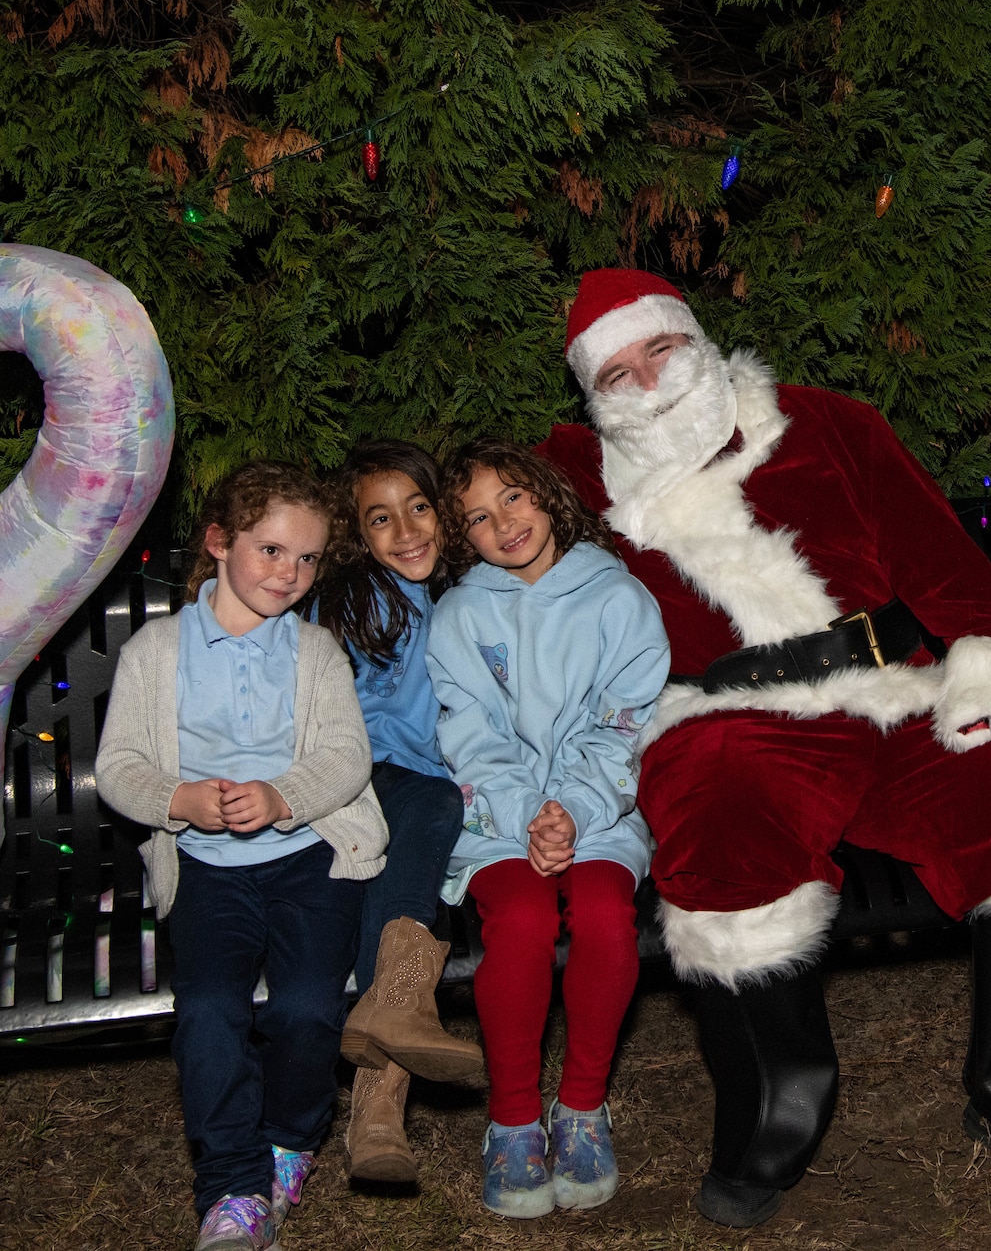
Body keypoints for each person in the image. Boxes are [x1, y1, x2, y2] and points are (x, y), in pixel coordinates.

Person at [538, 268, 991, 1229]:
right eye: (617, 373)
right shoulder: (570, 479)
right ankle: (783, 1089)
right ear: (590, 397)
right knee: (721, 820)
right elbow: (473, 540)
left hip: (889, 692)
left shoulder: (829, 424)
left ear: (695, 338)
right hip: (721, 719)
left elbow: (943, 561)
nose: (647, 381)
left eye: (659, 349)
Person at [95, 463, 388, 1251]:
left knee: (306, 1006)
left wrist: (283, 795)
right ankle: (232, 1184)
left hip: (311, 858)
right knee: (211, 1011)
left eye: (306, 559)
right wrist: (180, 801)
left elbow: (346, 755)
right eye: (270, 551)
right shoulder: (157, 652)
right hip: (207, 869)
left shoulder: (316, 651)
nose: (288, 574)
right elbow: (119, 764)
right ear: (220, 543)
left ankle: (290, 1141)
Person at [425, 437, 669, 1220]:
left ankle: (583, 1107)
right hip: (500, 816)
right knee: (524, 920)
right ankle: (515, 1119)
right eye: (480, 517)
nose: (505, 523)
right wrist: (531, 813)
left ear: (547, 494)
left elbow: (628, 721)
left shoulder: (619, 598)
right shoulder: (461, 614)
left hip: (600, 808)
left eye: (515, 498)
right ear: (465, 539)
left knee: (603, 915)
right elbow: (467, 731)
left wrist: (573, 808)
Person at [311, 440, 486, 1183]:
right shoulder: (363, 596)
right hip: (358, 776)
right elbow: (377, 722)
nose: (407, 530)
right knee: (431, 805)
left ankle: (379, 1096)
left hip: (412, 795)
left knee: (406, 885)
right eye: (381, 518)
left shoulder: (453, 596)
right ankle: (391, 1037)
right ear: (357, 533)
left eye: (418, 508)